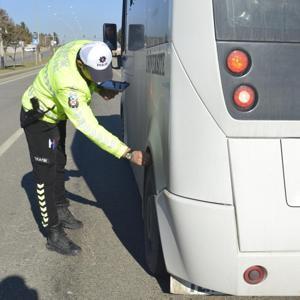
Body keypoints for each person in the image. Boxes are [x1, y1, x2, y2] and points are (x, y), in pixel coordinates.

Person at [20, 40, 148, 256]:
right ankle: (53, 233)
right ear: (80, 64)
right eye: (94, 74)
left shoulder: (84, 46)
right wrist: (125, 152)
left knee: (59, 161)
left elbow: (89, 78)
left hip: (56, 115)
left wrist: (99, 87)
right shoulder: (68, 85)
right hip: (39, 121)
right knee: (45, 175)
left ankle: (60, 208)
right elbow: (89, 127)